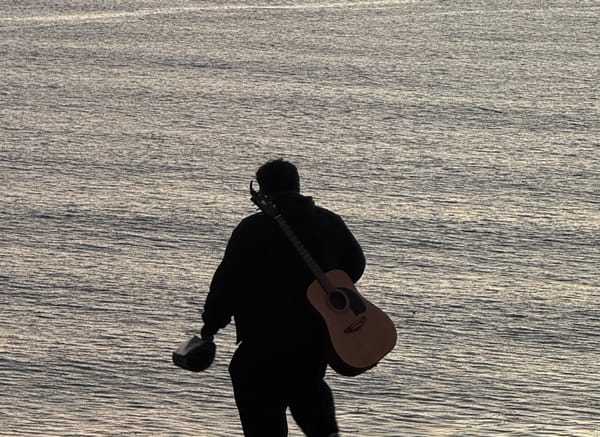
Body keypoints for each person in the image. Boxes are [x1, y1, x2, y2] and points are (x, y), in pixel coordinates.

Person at [199, 159, 366, 437]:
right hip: (313, 336)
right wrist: (327, 291)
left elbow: (227, 283)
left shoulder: (252, 229)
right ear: (297, 186)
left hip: (263, 338)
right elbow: (356, 264)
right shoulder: (329, 222)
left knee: (257, 399)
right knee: (308, 388)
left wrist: (211, 326)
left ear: (263, 191)